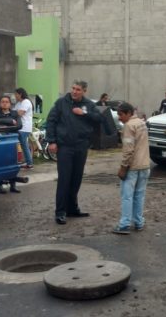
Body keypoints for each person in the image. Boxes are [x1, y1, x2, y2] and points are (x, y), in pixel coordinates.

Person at [46, 80, 104, 225]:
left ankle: (72, 208)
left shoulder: (89, 105)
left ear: (84, 91)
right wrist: (52, 141)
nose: (74, 91)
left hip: (81, 146)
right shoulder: (61, 103)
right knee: (64, 179)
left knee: (76, 178)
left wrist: (83, 113)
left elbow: (99, 119)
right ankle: (60, 212)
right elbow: (51, 121)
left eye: (78, 89)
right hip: (65, 147)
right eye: (73, 88)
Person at [113, 102, 150, 235]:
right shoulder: (141, 123)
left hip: (132, 167)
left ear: (129, 113)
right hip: (145, 165)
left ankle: (124, 225)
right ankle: (139, 222)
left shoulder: (129, 126)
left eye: (121, 114)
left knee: (127, 196)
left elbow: (128, 150)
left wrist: (123, 167)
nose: (119, 117)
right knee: (139, 195)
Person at [0, 95, 23, 194]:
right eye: (2, 102)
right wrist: (10, 121)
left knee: (14, 162)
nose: (5, 103)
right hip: (0, 140)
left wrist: (4, 126)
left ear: (10, 104)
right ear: (0, 104)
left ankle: (13, 185)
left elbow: (19, 125)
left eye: (7, 102)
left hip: (13, 140)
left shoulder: (15, 113)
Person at [15, 87, 34, 169]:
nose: (15, 96)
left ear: (20, 94)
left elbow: (20, 113)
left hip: (24, 127)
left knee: (24, 145)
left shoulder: (26, 102)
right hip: (19, 127)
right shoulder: (19, 103)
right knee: (23, 145)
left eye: (16, 94)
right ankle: (28, 162)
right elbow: (13, 112)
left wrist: (13, 113)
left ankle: (29, 163)